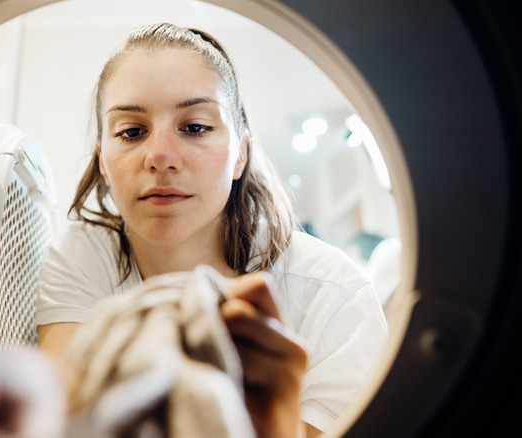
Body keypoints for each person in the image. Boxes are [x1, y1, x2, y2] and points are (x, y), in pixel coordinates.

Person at [36, 23, 387, 437]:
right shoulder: (82, 258)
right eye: (131, 132)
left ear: (240, 154)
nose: (161, 157)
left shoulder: (331, 296)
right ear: (102, 164)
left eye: (196, 127)